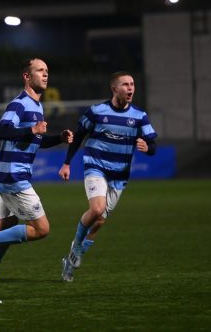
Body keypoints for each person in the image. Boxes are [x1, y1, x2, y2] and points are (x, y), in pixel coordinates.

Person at [0, 58, 74, 304]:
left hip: (8, 177)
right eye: (40, 70)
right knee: (42, 229)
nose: (46, 74)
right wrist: (32, 130)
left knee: (6, 237)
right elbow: (2, 131)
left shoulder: (36, 106)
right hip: (14, 177)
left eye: (47, 70)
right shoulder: (19, 104)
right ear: (26, 76)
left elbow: (34, 140)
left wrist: (58, 138)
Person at [59, 71, 157, 282]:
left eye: (132, 84)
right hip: (96, 166)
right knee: (97, 209)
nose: (130, 88)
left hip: (119, 174)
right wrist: (67, 162)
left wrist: (147, 147)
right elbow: (78, 137)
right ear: (114, 88)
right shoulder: (96, 112)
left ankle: (72, 261)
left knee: (99, 221)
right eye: (125, 84)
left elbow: (153, 146)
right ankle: (76, 246)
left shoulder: (139, 116)